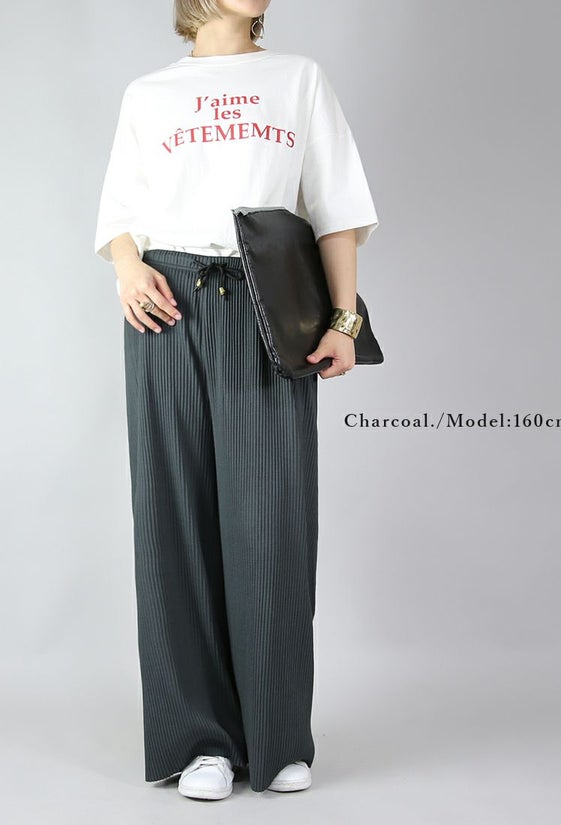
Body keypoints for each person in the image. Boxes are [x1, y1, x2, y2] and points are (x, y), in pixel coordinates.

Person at [93, 0, 379, 801]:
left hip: (267, 305)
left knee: (274, 517)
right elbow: (121, 216)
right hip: (169, 305)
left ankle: (276, 732)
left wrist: (345, 320)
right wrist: (128, 267)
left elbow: (336, 208)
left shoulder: (298, 80)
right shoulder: (149, 93)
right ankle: (200, 742)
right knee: (174, 518)